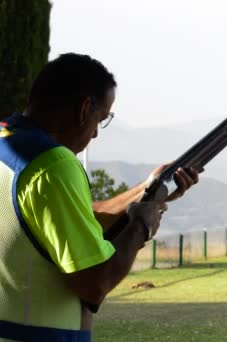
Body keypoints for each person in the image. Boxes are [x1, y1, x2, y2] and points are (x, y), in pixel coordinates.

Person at [0, 53, 200, 341]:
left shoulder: (10, 146)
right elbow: (94, 282)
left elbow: (74, 217)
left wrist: (149, 189)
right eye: (101, 119)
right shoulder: (54, 166)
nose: (95, 134)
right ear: (84, 109)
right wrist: (141, 226)